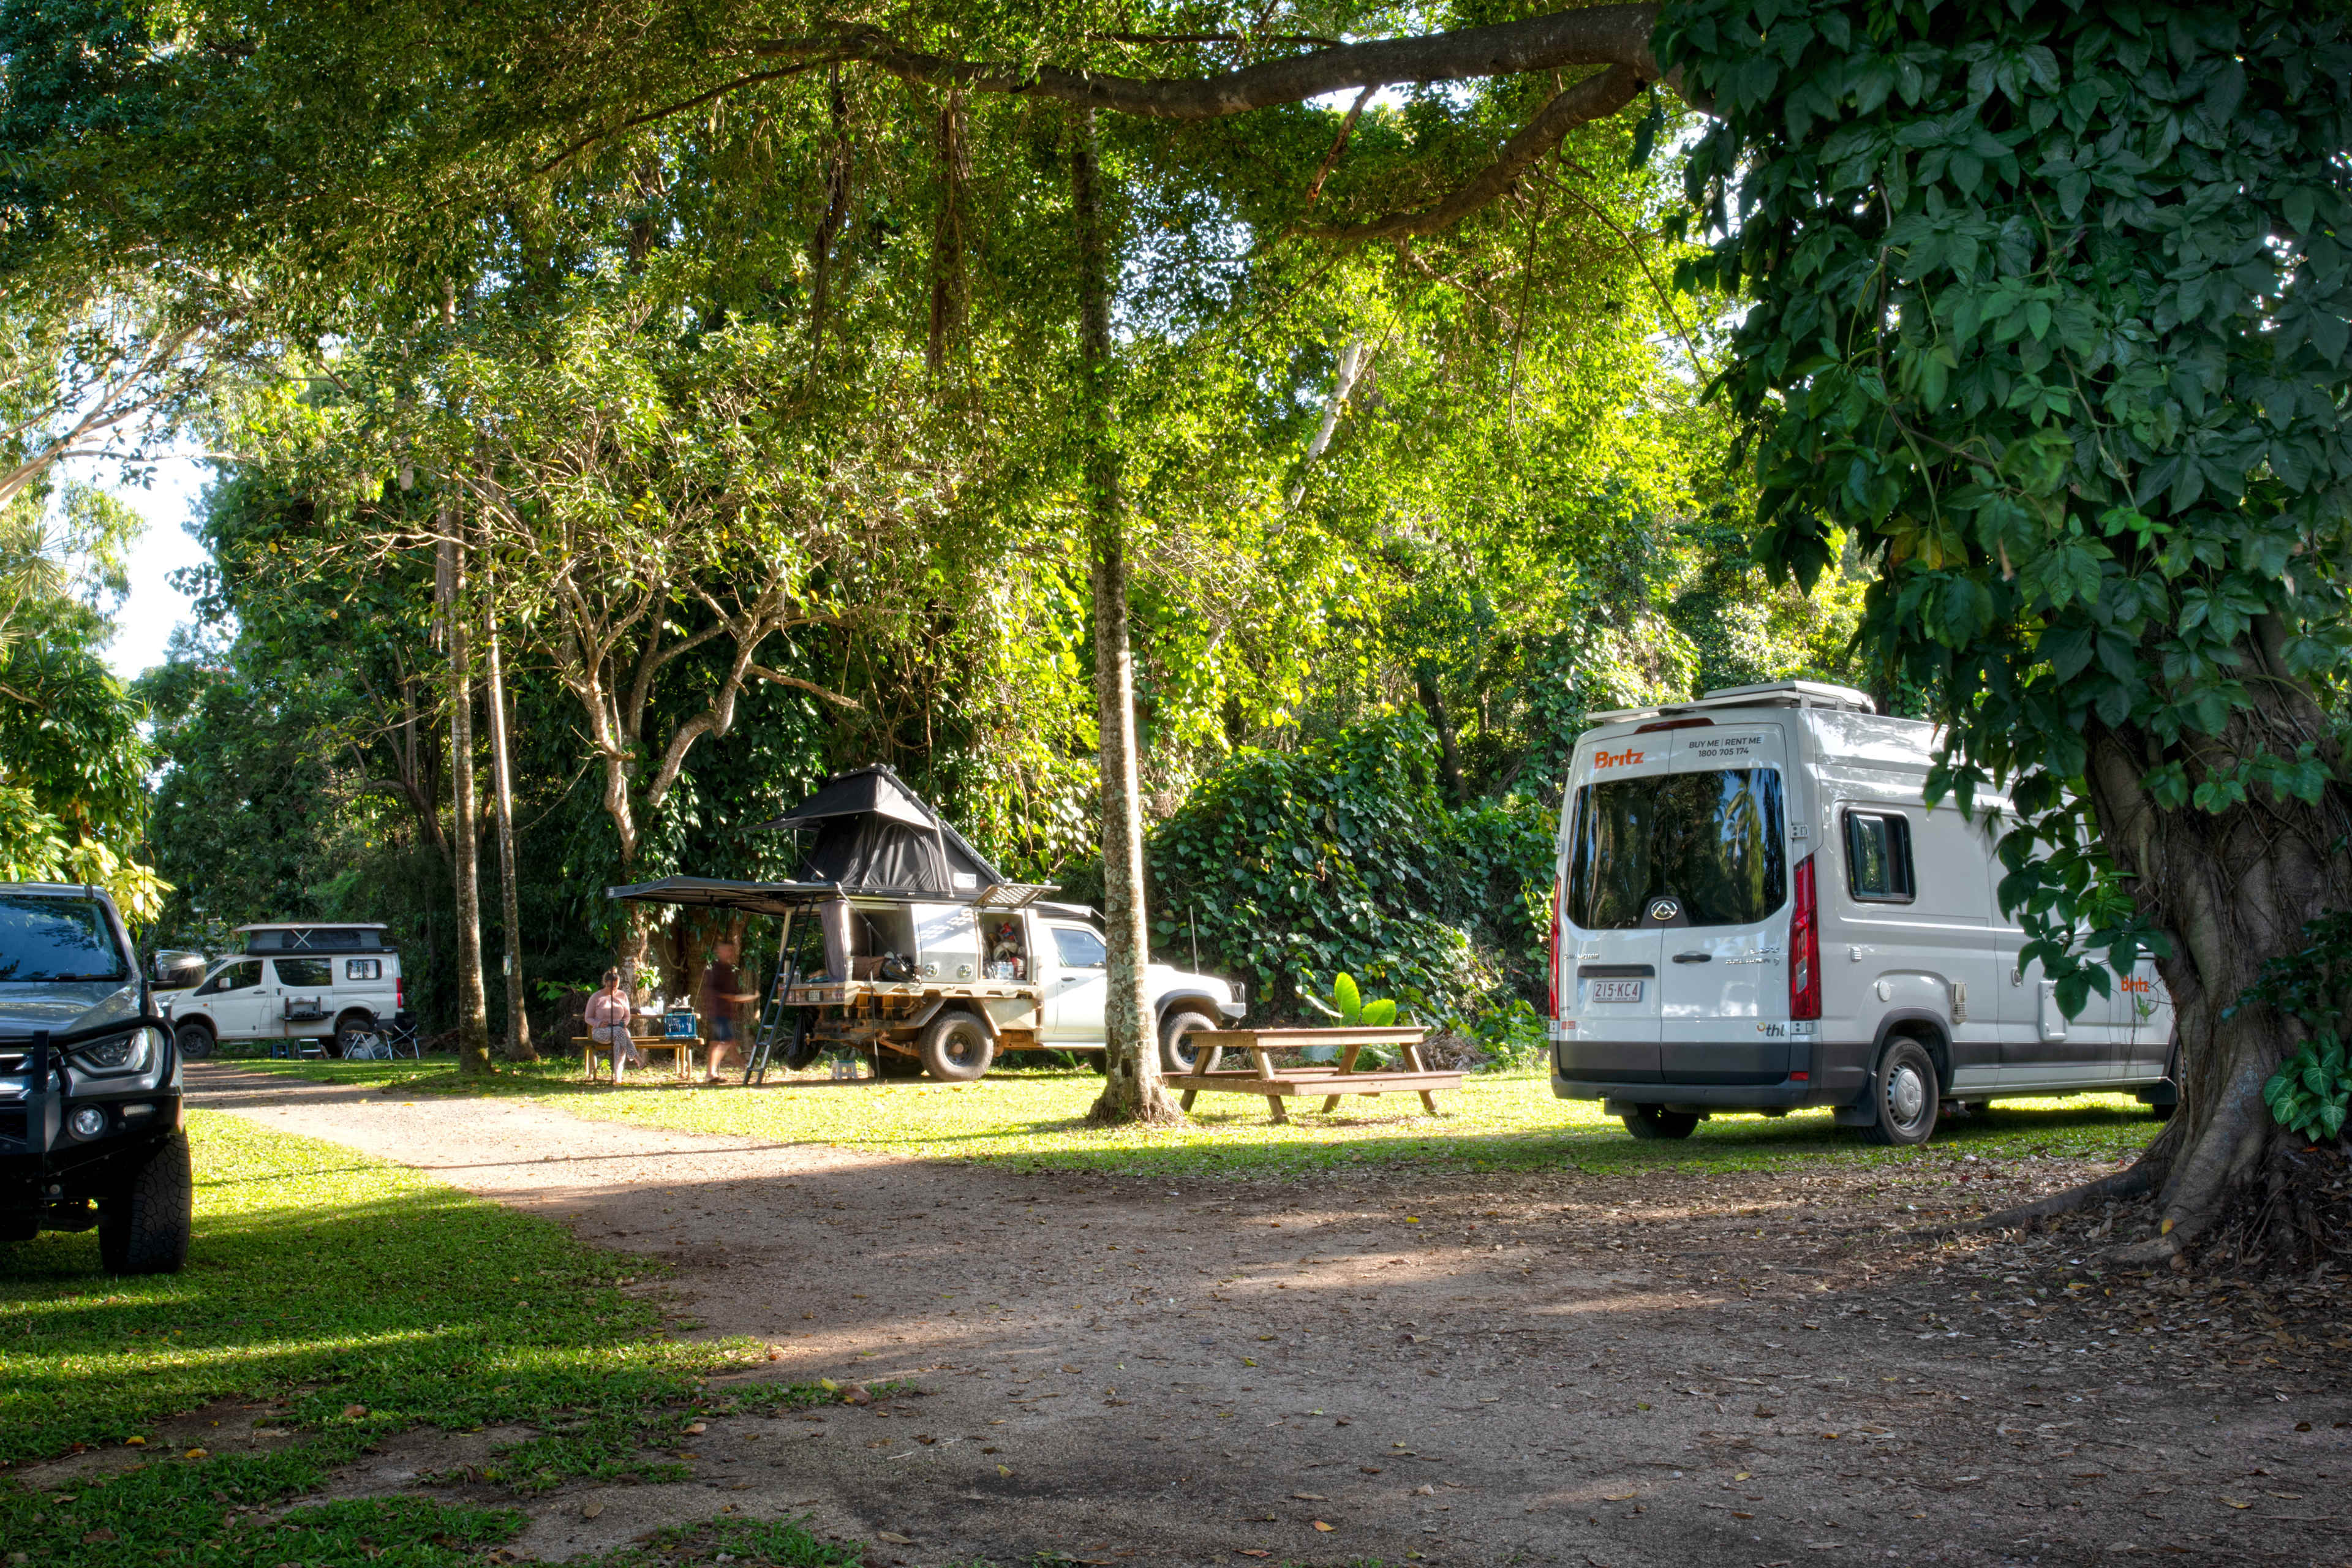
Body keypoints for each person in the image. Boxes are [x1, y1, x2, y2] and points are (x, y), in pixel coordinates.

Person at [699, 938, 756, 1084]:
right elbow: (714, 992)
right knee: (727, 1042)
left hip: (726, 1012)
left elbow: (733, 993)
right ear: (719, 951)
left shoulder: (728, 969)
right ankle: (744, 1070)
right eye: (727, 950)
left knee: (720, 1042)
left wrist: (741, 998)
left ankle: (711, 1073)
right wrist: (735, 998)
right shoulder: (716, 969)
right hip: (718, 1011)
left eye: (731, 950)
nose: (730, 953)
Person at [585, 969, 639, 1082]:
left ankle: (617, 1076)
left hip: (619, 1030)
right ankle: (636, 1057)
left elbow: (627, 1015)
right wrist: (599, 1023)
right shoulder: (596, 997)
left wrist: (624, 1023)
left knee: (621, 1038)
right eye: (611, 987)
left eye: (616, 987)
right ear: (606, 983)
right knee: (622, 1033)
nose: (614, 989)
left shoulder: (622, 995)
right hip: (601, 1032)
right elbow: (588, 1018)